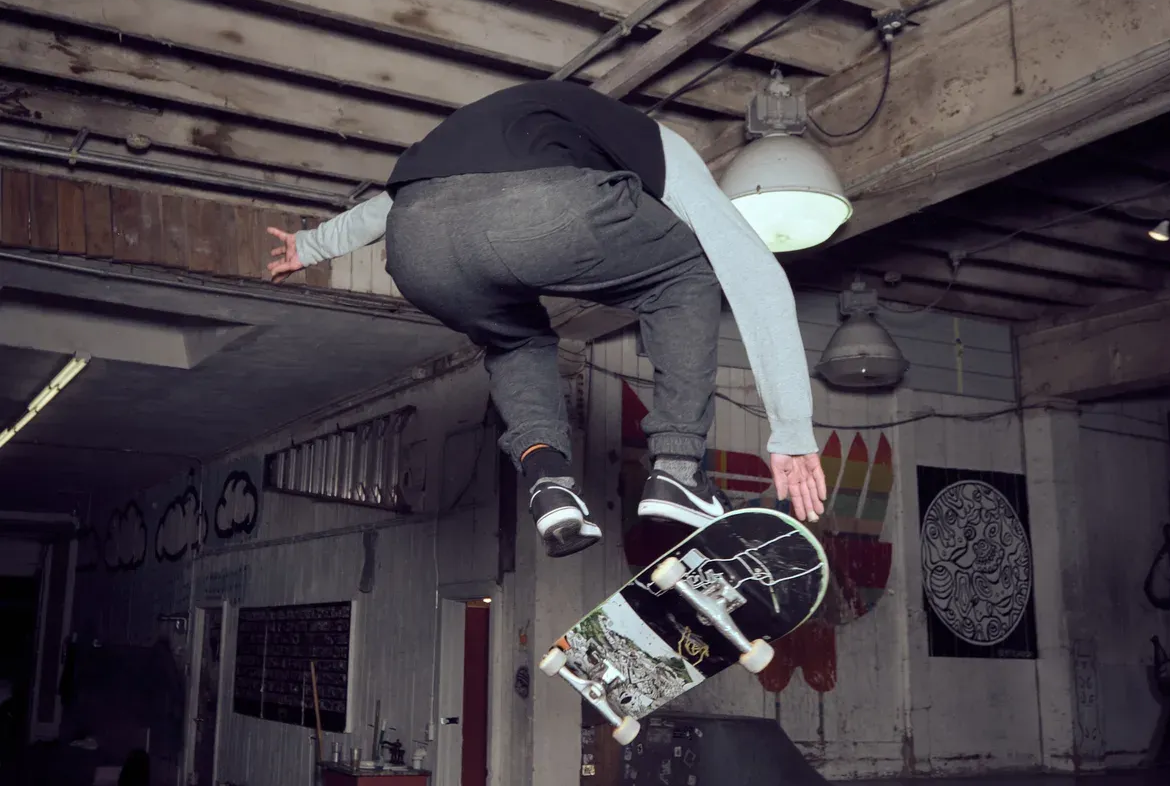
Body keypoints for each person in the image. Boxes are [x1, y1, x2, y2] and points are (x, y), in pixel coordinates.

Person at [268, 82, 826, 556]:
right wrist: (792, 427)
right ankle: (679, 469)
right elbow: (751, 268)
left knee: (515, 340)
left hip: (414, 247)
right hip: (540, 212)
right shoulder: (665, 146)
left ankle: (549, 483)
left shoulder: (507, 128)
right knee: (692, 270)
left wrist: (311, 245)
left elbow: (384, 208)